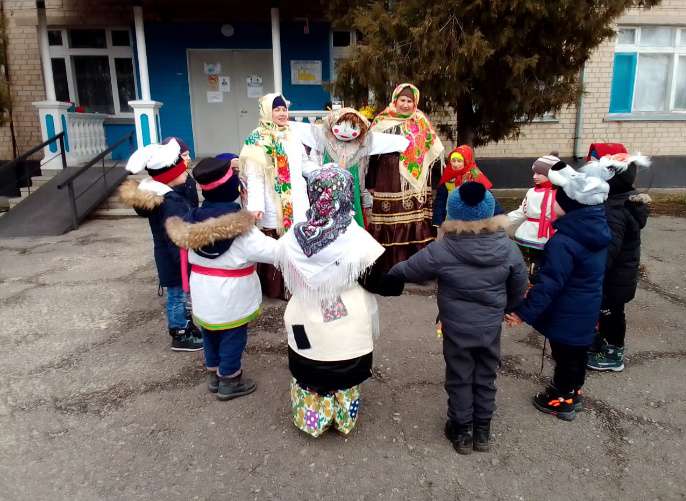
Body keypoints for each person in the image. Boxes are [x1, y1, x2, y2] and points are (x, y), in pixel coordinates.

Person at [388, 182, 528, 454]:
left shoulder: (443, 248)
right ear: (490, 210)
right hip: (490, 325)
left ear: (452, 213)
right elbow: (519, 283)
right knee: (486, 374)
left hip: (456, 326)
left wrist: (385, 276)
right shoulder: (507, 247)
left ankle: (462, 431)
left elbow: (408, 269)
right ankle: (483, 430)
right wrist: (508, 308)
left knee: (460, 375)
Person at [275, 167, 402, 437]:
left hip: (305, 323)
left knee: (309, 373)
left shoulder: (292, 239)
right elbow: (378, 282)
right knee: (344, 375)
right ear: (345, 194)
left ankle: (312, 419)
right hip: (346, 332)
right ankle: (343, 418)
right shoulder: (358, 241)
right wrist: (400, 281)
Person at [165, 157, 279, 400]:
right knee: (232, 336)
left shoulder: (191, 221)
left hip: (202, 291)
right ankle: (229, 379)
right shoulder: (243, 230)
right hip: (232, 295)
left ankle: (214, 374)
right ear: (233, 190)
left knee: (209, 332)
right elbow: (272, 252)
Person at [506, 162, 612, 421]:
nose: (551, 204)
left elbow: (550, 283)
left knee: (564, 355)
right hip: (586, 307)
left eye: (556, 201)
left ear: (570, 206)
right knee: (576, 353)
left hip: (567, 310)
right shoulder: (595, 231)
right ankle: (574, 390)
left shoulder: (563, 242)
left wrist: (523, 312)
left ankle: (562, 400)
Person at [119, 138, 202, 352]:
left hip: (171, 255)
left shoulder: (167, 195)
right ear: (170, 177)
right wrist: (184, 262)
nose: (186, 174)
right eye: (182, 172)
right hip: (175, 257)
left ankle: (186, 325)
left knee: (181, 294)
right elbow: (175, 236)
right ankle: (180, 333)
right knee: (177, 295)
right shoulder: (171, 203)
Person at [239, 93, 319, 299]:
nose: (282, 113)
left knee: (297, 239)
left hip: (296, 199)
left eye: (284, 109)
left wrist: (321, 172)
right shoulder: (257, 139)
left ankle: (297, 285)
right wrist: (256, 206)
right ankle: (276, 288)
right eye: (277, 109)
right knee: (275, 244)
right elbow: (254, 176)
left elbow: (304, 163)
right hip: (271, 201)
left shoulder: (292, 134)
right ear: (267, 111)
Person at [581, 152, 651, 372]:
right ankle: (602, 343)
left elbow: (608, 247)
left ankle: (613, 354)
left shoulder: (615, 209)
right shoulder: (625, 200)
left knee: (610, 315)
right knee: (609, 312)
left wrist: (592, 271)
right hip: (619, 275)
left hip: (613, 277)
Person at [366, 83, 444, 273]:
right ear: (395, 100)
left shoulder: (421, 121)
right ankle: (389, 267)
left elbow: (431, 150)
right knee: (391, 218)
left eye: (410, 101)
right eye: (402, 100)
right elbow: (371, 154)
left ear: (415, 102)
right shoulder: (381, 121)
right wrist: (371, 181)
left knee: (416, 219)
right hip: (388, 177)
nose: (406, 104)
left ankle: (418, 268)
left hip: (415, 183)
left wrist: (437, 181)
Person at [296, 107, 408, 228]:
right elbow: (303, 131)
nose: (345, 131)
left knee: (352, 223)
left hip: (352, 193)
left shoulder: (362, 146)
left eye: (353, 127)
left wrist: (403, 142)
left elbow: (384, 141)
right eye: (339, 124)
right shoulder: (325, 142)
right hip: (327, 192)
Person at [507, 155, 561, 282]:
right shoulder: (531, 192)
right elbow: (522, 212)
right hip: (530, 234)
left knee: (548, 263)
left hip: (551, 234)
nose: (534, 176)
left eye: (539, 173)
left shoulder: (560, 193)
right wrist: (502, 221)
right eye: (534, 172)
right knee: (531, 263)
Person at [433, 145, 493, 227]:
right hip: (452, 217)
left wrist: (498, 214)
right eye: (453, 161)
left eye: (459, 161)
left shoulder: (474, 172)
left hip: (475, 218)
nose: (455, 164)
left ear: (466, 161)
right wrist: (438, 221)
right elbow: (441, 200)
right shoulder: (448, 174)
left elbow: (487, 196)